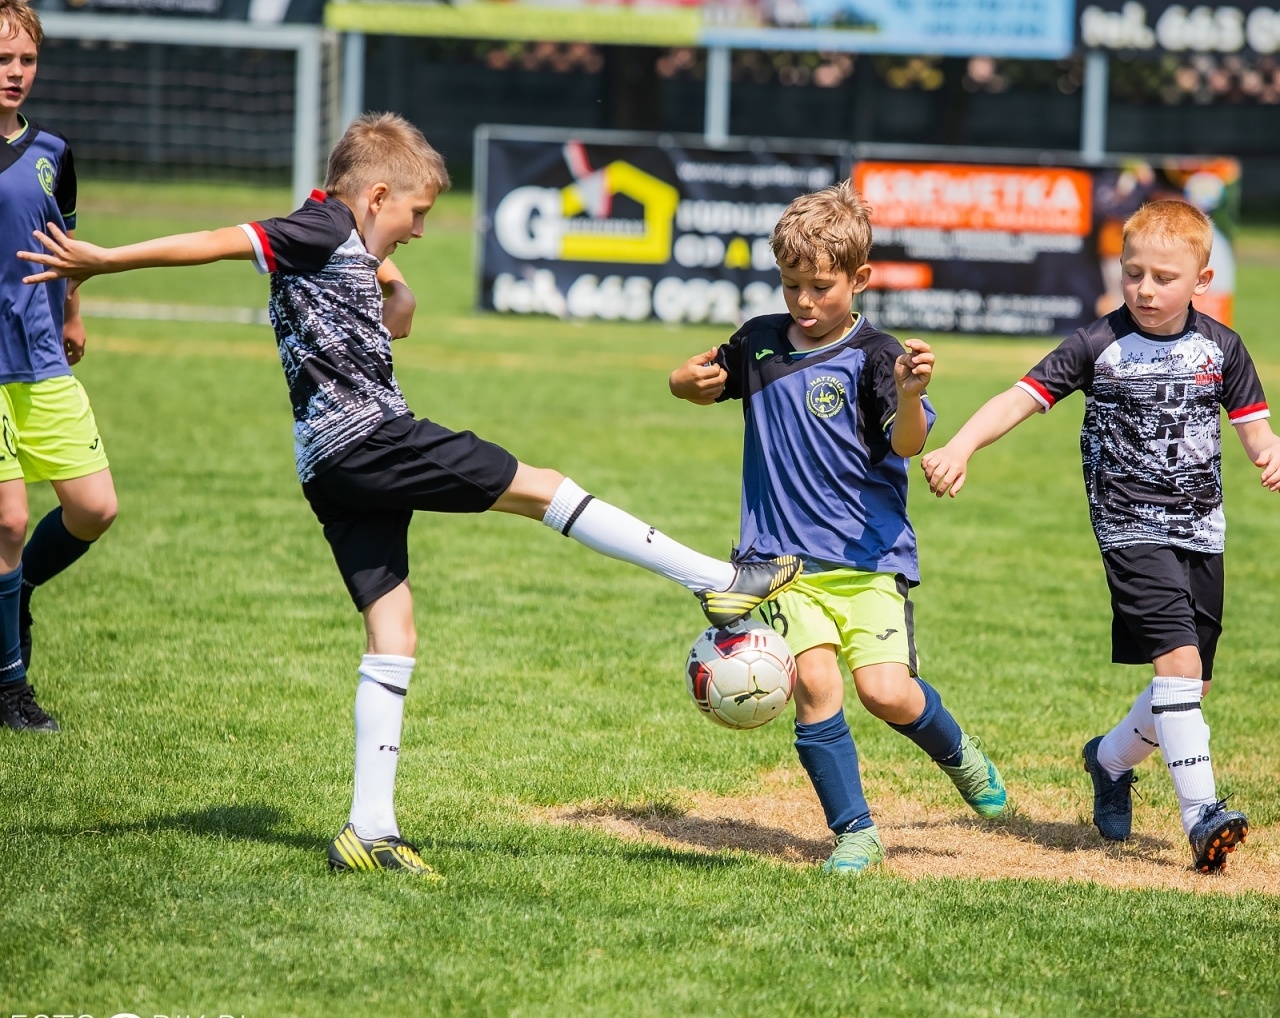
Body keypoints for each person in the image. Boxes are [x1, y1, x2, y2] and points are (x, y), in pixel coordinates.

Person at [19, 113, 801, 875]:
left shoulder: (340, 234)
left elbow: (387, 301)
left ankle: (370, 828)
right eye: (416, 214)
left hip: (330, 468)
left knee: (394, 636)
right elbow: (222, 240)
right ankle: (716, 581)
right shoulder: (319, 228)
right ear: (378, 196)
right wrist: (107, 259)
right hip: (372, 441)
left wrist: (393, 287)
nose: (421, 231)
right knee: (544, 489)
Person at [921, 199, 1280, 873]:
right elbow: (1019, 397)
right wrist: (962, 446)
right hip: (1130, 529)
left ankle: (1110, 759)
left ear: (1202, 281)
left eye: (1164, 277)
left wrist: (1272, 450)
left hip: (1201, 532)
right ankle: (1202, 815)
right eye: (1134, 274)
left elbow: (1255, 426)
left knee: (1191, 688)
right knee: (1177, 669)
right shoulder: (1098, 345)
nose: (1146, 290)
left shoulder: (1222, 348)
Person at [668, 182, 1008, 875]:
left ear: (859, 279)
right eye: (791, 285)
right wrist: (683, 381)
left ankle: (958, 753)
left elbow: (908, 446)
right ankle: (855, 831)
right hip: (780, 564)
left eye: (820, 287)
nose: (803, 302)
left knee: (887, 693)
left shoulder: (877, 357)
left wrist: (911, 397)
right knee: (816, 687)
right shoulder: (760, 342)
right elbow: (703, 379)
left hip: (869, 559)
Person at [0, 1, 120, 733]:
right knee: (7, 518)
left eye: (25, 61)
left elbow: (63, 244)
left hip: (40, 360)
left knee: (94, 508)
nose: (14, 74)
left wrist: (73, 312)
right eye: (1, 60)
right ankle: (10, 685)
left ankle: (19, 593)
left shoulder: (53, 150)